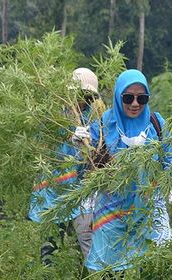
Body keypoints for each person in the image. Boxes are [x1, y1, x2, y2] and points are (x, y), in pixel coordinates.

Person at [85, 69, 172, 275]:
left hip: (149, 208)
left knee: (156, 263)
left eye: (142, 98)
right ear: (118, 97)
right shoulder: (102, 125)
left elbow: (169, 159)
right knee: (110, 268)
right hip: (111, 209)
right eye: (128, 97)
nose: (135, 104)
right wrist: (82, 146)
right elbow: (89, 166)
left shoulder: (156, 125)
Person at [28, 67, 102, 266]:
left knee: (81, 254)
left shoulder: (90, 120)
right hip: (51, 195)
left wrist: (90, 147)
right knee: (50, 253)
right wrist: (68, 140)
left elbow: (94, 159)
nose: (83, 101)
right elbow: (42, 150)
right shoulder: (51, 116)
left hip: (78, 197)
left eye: (88, 97)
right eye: (80, 95)